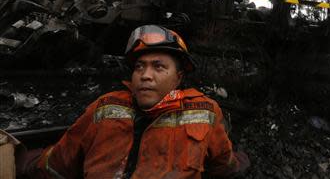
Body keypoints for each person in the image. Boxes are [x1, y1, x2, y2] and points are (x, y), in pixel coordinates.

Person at [19, 25, 249, 178]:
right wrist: (22, 160)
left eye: (159, 66)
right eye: (139, 66)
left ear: (179, 77)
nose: (145, 75)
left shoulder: (205, 112)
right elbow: (59, 162)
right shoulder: (105, 108)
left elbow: (223, 164)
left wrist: (238, 163)